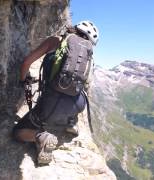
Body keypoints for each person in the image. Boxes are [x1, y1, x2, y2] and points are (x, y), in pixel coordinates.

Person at [13, 21, 99, 165]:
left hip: (51, 103)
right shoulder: (89, 56)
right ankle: (70, 123)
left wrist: (23, 80)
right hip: (78, 104)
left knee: (18, 132)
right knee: (68, 107)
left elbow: (26, 62)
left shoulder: (55, 41)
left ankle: (42, 137)